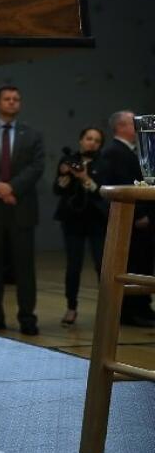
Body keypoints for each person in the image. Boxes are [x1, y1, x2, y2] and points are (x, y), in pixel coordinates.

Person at [0, 85, 45, 336]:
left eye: (16, 99)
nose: (12, 102)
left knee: (24, 268)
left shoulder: (33, 135)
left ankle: (27, 317)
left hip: (20, 208)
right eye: (7, 99)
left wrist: (11, 187)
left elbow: (37, 167)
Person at [93, 110, 153, 327]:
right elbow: (118, 187)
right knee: (134, 264)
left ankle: (142, 307)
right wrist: (138, 215)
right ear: (120, 127)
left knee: (143, 264)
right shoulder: (113, 152)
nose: (137, 127)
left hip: (141, 220)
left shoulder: (133, 151)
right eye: (132, 123)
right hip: (132, 220)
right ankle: (132, 311)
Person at [52, 126, 106, 326]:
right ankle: (71, 307)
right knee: (73, 266)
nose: (92, 142)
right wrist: (65, 176)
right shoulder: (69, 160)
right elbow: (57, 189)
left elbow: (102, 192)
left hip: (97, 220)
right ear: (80, 140)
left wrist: (85, 178)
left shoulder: (104, 163)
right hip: (72, 220)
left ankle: (106, 309)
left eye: (97, 140)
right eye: (88, 138)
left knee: (102, 266)